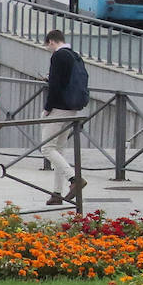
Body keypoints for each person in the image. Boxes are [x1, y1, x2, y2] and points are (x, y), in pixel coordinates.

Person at [42, 29, 88, 205]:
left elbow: (55, 85)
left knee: (47, 148)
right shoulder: (74, 55)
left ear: (52, 42)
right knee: (58, 149)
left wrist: (48, 108)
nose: (49, 49)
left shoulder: (58, 56)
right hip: (72, 107)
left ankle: (74, 179)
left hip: (59, 107)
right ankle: (57, 194)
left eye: (48, 46)